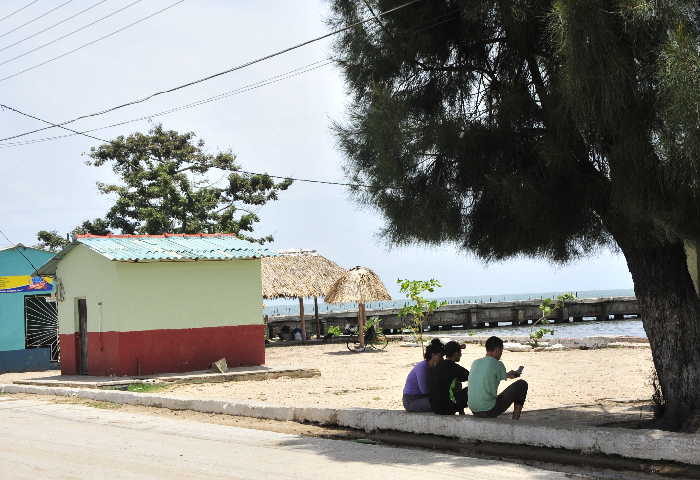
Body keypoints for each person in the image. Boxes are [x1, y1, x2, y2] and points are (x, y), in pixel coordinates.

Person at [468, 336, 528, 420]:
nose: (501, 354)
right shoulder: (498, 364)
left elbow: (493, 374)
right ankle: (515, 420)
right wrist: (515, 373)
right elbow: (501, 373)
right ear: (497, 350)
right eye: (501, 351)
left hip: (474, 409)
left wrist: (508, 374)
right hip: (488, 410)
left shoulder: (476, 362)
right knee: (522, 384)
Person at [402, 338, 444, 412]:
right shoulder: (422, 367)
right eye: (440, 356)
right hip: (412, 400)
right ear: (433, 355)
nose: (442, 359)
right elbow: (424, 391)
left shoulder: (432, 366)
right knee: (441, 403)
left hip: (423, 398)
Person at [429, 340, 469, 415]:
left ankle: (461, 410)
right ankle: (461, 410)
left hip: (434, 407)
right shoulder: (454, 367)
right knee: (470, 389)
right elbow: (470, 376)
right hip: (447, 408)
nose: (461, 355)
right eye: (460, 353)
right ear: (456, 354)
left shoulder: (438, 365)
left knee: (456, 383)